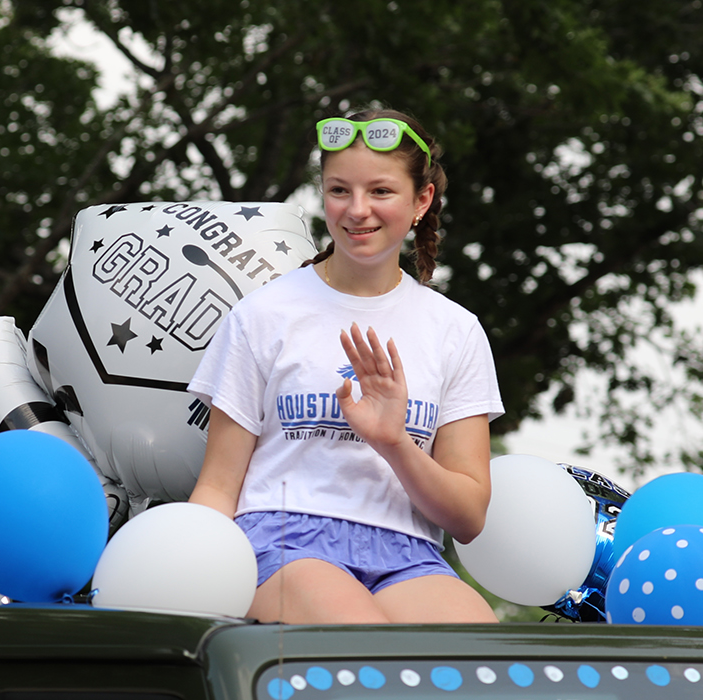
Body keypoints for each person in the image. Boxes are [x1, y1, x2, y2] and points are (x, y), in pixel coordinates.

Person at [187, 109, 503, 623]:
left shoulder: (456, 330)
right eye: (339, 191)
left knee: (482, 662)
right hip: (282, 542)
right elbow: (218, 486)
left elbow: (467, 518)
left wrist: (395, 443)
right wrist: (190, 580)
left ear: (421, 200)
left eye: (380, 191)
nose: (357, 210)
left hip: (409, 555)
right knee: (361, 650)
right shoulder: (263, 314)